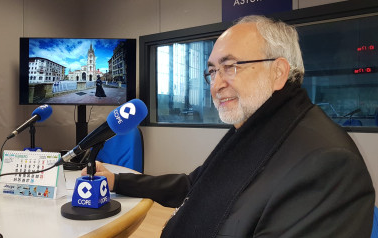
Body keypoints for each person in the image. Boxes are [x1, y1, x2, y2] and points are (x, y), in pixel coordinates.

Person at [83, 15, 375, 237]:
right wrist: (117, 182)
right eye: (212, 70)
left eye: (230, 66)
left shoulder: (329, 164)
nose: (216, 83)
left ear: (278, 72)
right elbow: (193, 185)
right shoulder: (256, 128)